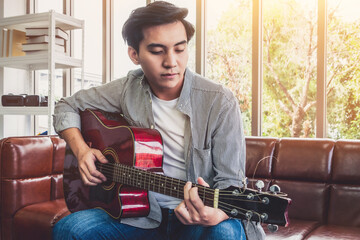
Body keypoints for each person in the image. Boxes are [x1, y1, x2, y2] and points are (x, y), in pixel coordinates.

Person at [52, 1, 265, 239]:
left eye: (180, 49)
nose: (171, 62)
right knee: (70, 230)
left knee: (224, 233)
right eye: (157, 51)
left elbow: (231, 185)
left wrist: (218, 214)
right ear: (134, 54)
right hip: (139, 216)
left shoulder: (220, 102)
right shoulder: (127, 88)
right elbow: (66, 106)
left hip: (195, 218)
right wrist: (82, 151)